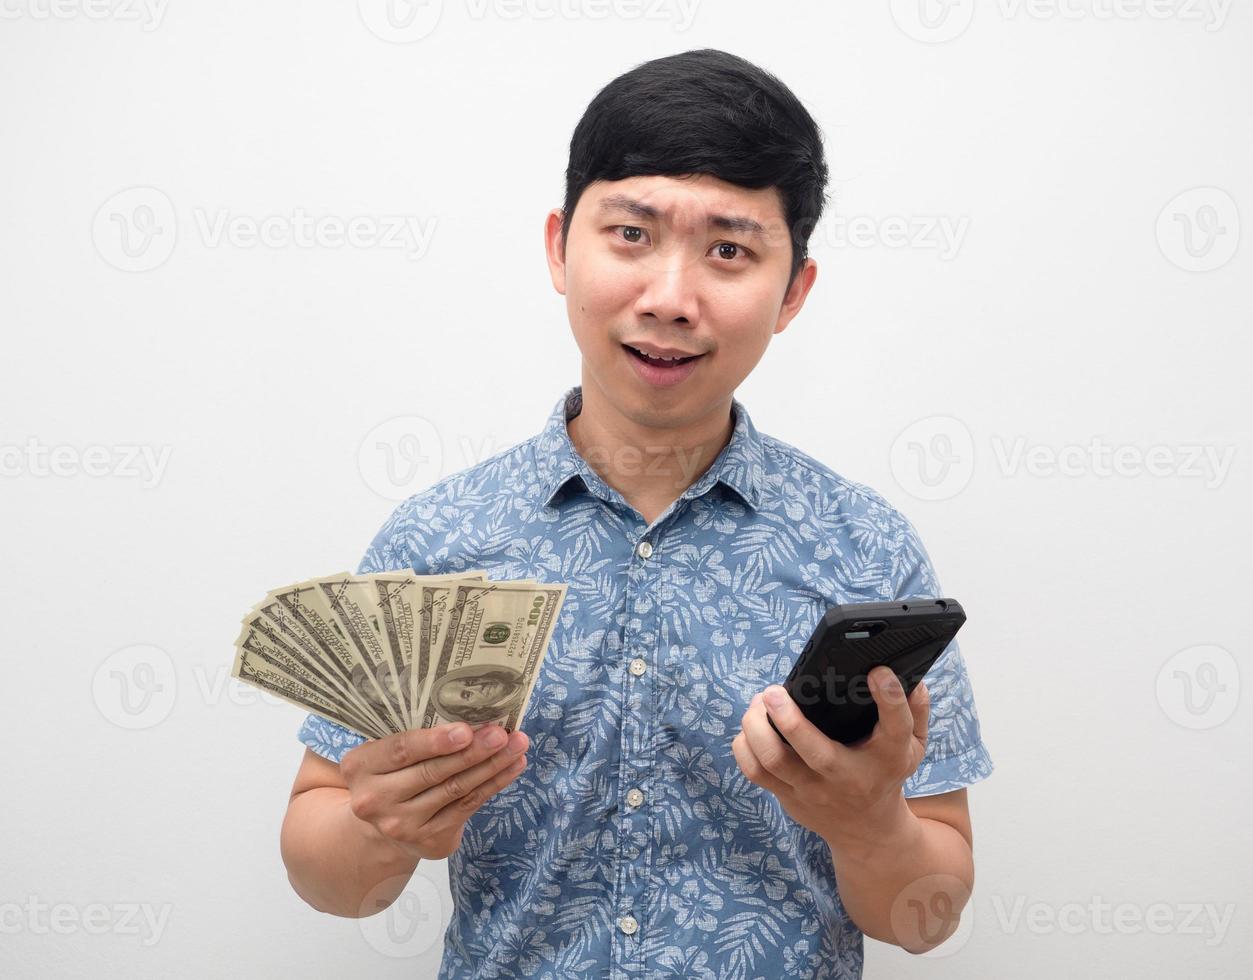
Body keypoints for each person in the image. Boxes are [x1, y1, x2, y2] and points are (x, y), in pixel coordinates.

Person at [280, 48, 994, 978]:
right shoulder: (438, 542)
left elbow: (924, 917)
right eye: (630, 234)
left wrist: (870, 828)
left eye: (729, 251)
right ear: (557, 246)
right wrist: (384, 828)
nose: (669, 298)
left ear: (793, 293)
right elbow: (330, 880)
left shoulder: (863, 549)